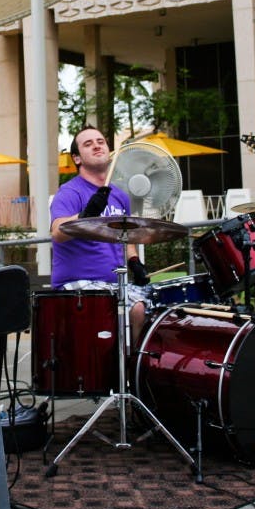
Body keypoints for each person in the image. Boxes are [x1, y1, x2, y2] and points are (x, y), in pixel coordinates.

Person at [50, 125, 150, 346]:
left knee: (154, 306)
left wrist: (134, 262)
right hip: (77, 283)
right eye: (88, 144)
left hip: (113, 283)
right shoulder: (70, 192)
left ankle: (134, 369)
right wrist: (85, 216)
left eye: (100, 141)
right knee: (133, 309)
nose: (96, 145)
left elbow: (127, 235)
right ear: (77, 158)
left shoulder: (120, 196)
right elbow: (57, 232)